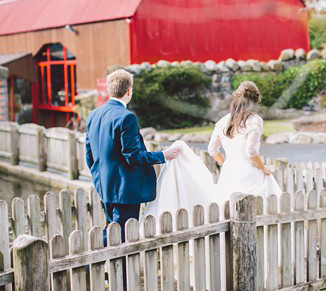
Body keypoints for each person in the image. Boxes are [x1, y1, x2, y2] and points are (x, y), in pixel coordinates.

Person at [145, 81, 281, 220]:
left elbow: (212, 149)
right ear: (256, 100)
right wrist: (263, 168)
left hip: (229, 173)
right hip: (249, 174)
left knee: (227, 215)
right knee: (258, 214)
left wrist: (226, 163)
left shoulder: (224, 121)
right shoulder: (254, 120)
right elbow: (251, 151)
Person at [85, 69, 180, 241]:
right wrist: (162, 155)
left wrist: (100, 177)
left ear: (109, 89)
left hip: (104, 185)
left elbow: (89, 155)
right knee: (123, 236)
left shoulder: (94, 115)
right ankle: (90, 266)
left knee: (112, 230)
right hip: (125, 189)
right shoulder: (126, 117)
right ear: (128, 91)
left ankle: (102, 267)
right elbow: (133, 156)